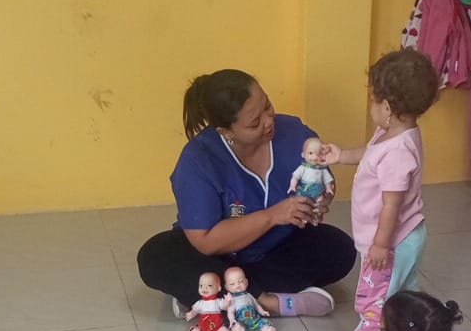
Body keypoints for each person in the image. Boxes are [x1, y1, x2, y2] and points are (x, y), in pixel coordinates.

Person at [137, 69, 356, 318]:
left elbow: (323, 178)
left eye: (267, 106)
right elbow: (205, 240)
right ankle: (269, 302)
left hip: (275, 248)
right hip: (217, 254)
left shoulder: (295, 132)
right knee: (155, 256)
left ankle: (212, 296)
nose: (268, 121)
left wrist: (321, 199)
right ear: (226, 131)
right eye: (254, 123)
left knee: (339, 249)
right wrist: (273, 215)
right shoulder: (199, 159)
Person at [320, 49, 440, 331]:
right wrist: (341, 155)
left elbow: (391, 204)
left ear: (386, 107)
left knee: (375, 295)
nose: (371, 106)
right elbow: (370, 153)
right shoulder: (394, 133)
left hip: (392, 240)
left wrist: (381, 245)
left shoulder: (398, 152)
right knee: (402, 289)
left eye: (373, 100)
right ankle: (416, 328)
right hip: (407, 235)